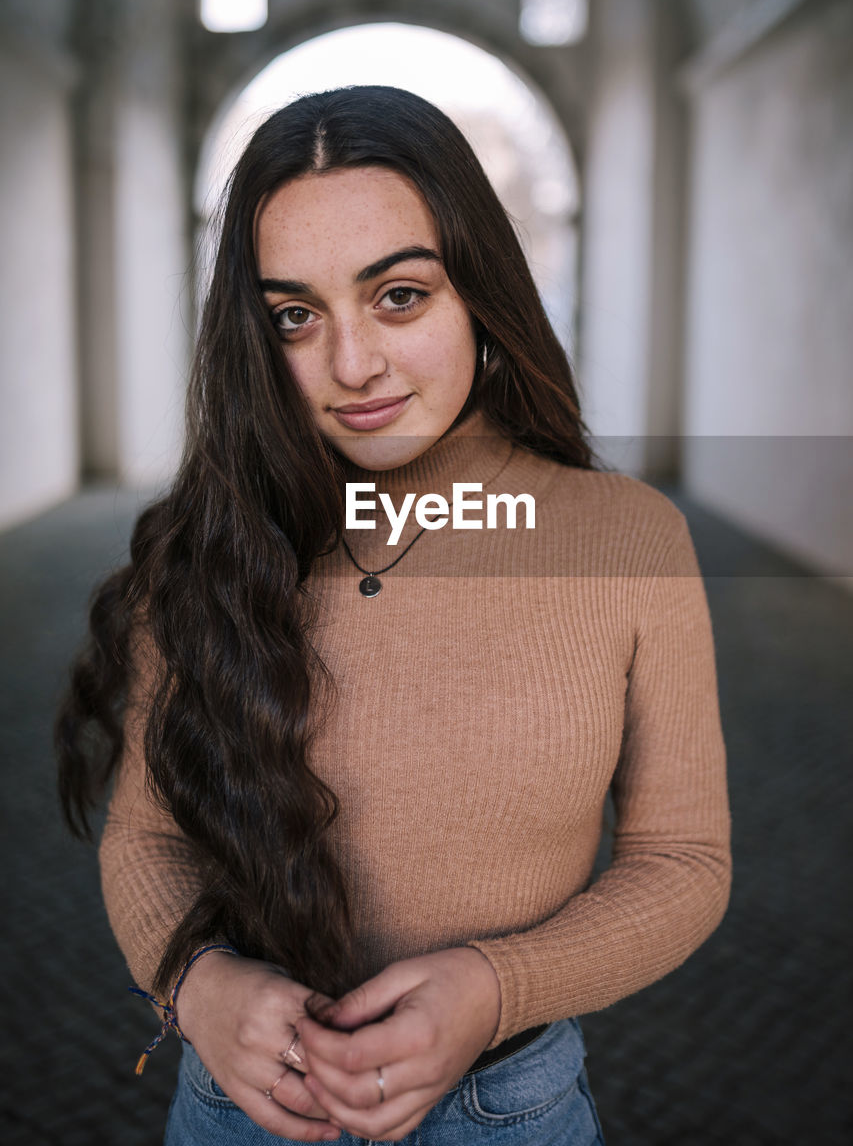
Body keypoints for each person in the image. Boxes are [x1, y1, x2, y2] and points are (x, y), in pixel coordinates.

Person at [56, 85, 731, 1145]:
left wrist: (495, 984)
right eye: (295, 315)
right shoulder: (206, 542)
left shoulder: (627, 537)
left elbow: (682, 855)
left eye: (400, 296)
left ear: (479, 291)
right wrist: (198, 982)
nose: (353, 364)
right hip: (243, 1109)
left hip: (508, 1110)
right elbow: (145, 832)